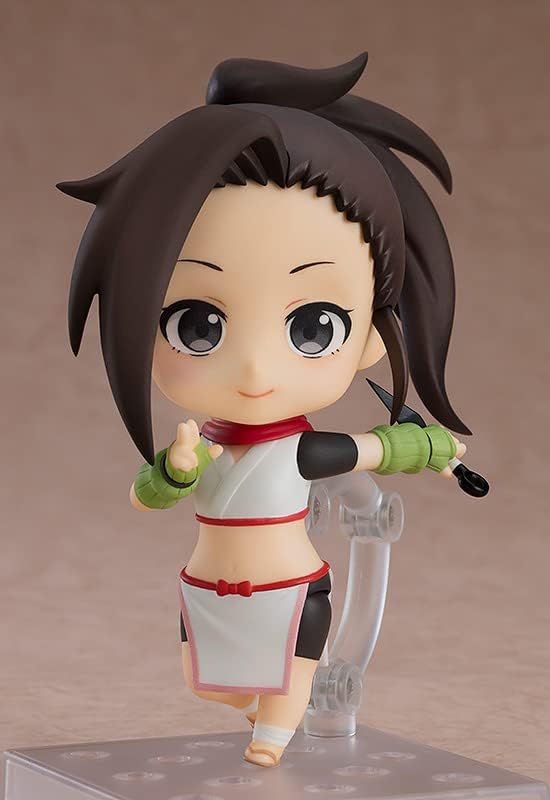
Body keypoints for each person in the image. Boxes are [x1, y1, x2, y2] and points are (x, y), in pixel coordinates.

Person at [58, 52, 468, 767]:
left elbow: (377, 448)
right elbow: (149, 494)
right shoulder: (203, 442)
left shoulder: (301, 451)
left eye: (314, 326)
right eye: (197, 325)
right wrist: (175, 468)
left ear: (371, 337)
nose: (253, 369)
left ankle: (274, 732)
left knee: (287, 677)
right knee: (204, 682)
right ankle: (265, 710)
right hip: (211, 585)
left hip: (289, 588)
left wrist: (434, 449)